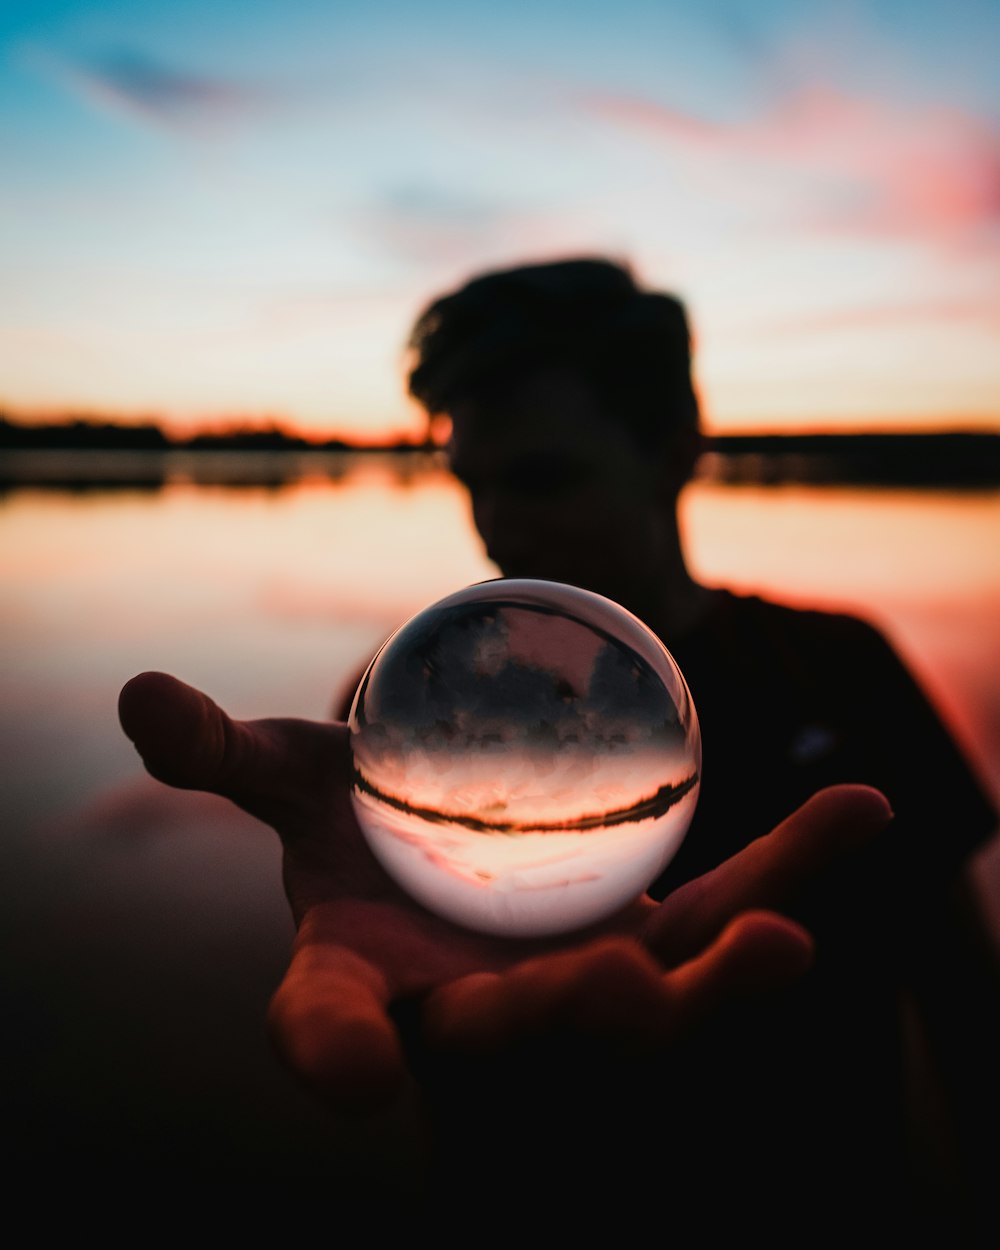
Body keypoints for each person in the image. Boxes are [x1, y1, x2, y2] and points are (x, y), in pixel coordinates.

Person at [120, 258, 997, 1239]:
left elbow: (963, 986)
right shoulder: (405, 707)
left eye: (541, 476)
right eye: (472, 483)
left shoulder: (839, 666)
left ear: (672, 447)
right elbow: (412, 991)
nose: (497, 524)